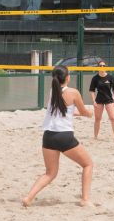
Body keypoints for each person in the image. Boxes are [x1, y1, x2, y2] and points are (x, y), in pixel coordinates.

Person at [23, 65, 94, 207]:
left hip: (48, 136)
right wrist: (89, 113)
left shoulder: (52, 92)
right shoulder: (73, 92)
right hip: (64, 137)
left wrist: (76, 113)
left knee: (50, 173)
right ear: (67, 78)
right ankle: (85, 200)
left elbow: (62, 111)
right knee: (88, 164)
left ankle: (28, 197)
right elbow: (84, 111)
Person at [89, 61, 114, 142]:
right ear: (98, 67)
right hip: (99, 100)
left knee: (113, 118)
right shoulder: (95, 78)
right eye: (100, 65)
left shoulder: (110, 77)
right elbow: (92, 91)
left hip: (109, 100)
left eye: (104, 65)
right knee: (97, 119)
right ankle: (95, 137)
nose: (102, 67)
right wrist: (94, 101)